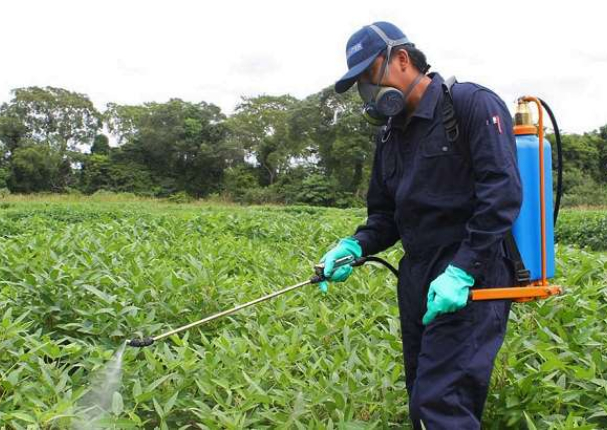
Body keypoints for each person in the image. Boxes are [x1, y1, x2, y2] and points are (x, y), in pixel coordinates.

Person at [319, 21, 523, 429]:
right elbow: (385, 214)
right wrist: (357, 245)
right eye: (359, 83)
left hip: (471, 277)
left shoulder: (469, 105)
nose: (367, 91)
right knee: (424, 398)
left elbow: (501, 195)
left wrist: (463, 270)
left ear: (401, 59)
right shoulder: (390, 134)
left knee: (438, 404)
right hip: (417, 279)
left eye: (368, 76)